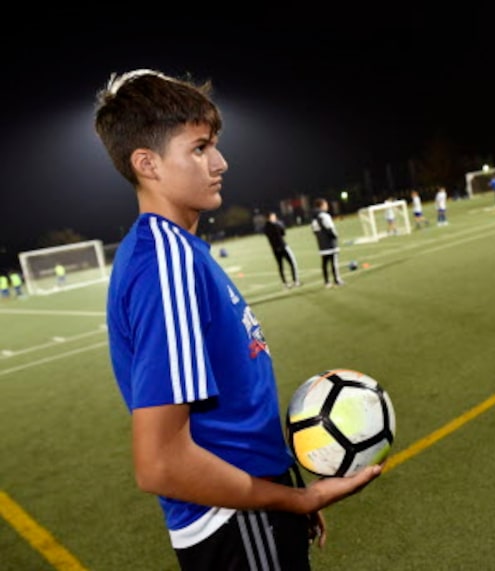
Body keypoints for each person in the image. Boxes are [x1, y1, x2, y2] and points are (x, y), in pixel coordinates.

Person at [93, 69, 381, 571]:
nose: (221, 162)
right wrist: (294, 502)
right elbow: (160, 462)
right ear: (148, 164)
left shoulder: (179, 251)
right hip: (233, 521)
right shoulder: (165, 263)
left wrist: (283, 492)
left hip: (251, 507)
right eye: (200, 148)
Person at [310, 197, 344, 288]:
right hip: (330, 243)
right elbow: (330, 228)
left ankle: (327, 282)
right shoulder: (324, 216)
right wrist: (335, 236)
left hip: (321, 244)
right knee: (334, 262)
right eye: (325, 204)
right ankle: (337, 280)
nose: (327, 206)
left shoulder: (313, 218)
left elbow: (314, 231)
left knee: (324, 263)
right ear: (321, 206)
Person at [263, 211, 301, 289]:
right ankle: (295, 281)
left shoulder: (266, 227)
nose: (275, 218)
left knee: (280, 266)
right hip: (283, 246)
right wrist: (279, 224)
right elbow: (283, 233)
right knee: (292, 263)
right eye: (273, 216)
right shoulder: (276, 225)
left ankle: (285, 283)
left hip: (274, 249)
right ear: (270, 217)